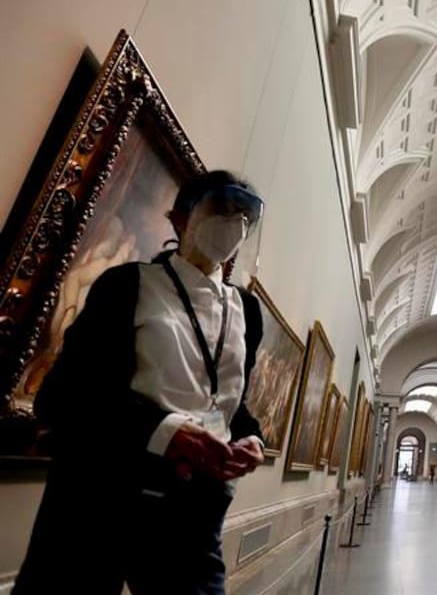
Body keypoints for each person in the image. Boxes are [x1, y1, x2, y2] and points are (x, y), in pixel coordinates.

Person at [15, 171, 268, 595]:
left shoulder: (247, 311)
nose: (235, 224)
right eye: (222, 209)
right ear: (181, 218)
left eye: (245, 216)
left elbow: (225, 402)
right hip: (102, 493)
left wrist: (251, 438)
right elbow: (62, 396)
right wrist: (165, 431)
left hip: (195, 510)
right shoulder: (129, 285)